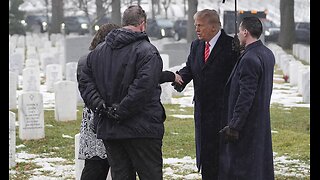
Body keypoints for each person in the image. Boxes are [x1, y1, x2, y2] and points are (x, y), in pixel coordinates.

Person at [80, 5, 170, 180]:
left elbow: (85, 84)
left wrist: (102, 107)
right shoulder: (147, 51)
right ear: (142, 24)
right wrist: (120, 111)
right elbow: (144, 88)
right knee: (150, 175)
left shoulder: (97, 52)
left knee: (121, 175)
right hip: (142, 129)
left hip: (111, 128)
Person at [172, 9, 238, 179]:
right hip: (202, 112)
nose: (197, 29)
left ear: (214, 27)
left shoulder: (231, 46)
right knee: (206, 156)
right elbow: (191, 67)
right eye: (195, 26)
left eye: (200, 26)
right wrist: (180, 78)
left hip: (223, 113)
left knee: (221, 158)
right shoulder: (197, 45)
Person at [218, 16, 275, 180]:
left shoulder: (249, 59)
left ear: (245, 32)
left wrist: (234, 125)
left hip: (247, 125)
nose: (237, 35)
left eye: (239, 31)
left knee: (244, 170)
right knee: (258, 169)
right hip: (260, 121)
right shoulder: (266, 53)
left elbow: (246, 96)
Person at [77, 23, 120, 180]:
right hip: (99, 116)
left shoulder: (87, 59)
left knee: (96, 167)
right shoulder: (89, 61)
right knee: (96, 168)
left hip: (98, 116)